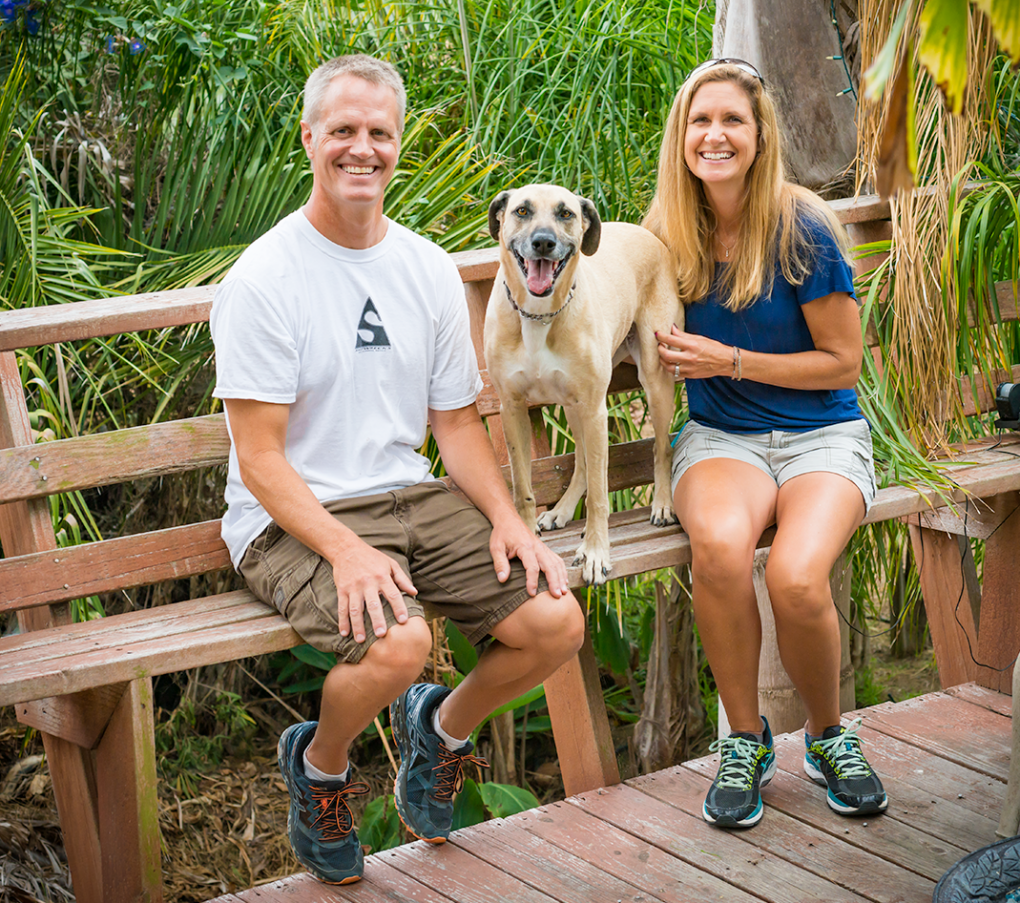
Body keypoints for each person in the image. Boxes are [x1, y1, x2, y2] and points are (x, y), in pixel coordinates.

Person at [210, 53, 584, 884]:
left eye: (379, 132)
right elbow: (260, 458)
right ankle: (320, 770)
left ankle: (440, 732)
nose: (362, 148)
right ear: (309, 138)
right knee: (399, 645)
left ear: (398, 141)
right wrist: (345, 550)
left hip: (411, 496)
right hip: (293, 518)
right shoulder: (265, 278)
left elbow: (455, 422)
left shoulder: (425, 268)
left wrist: (511, 522)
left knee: (556, 622)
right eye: (342, 130)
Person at [645, 58, 887, 829]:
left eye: (732, 120)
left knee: (796, 577)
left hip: (822, 437)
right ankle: (745, 743)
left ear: (760, 135)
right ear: (682, 135)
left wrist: (730, 360)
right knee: (720, 550)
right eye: (701, 120)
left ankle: (827, 736)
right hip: (723, 439)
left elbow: (842, 363)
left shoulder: (801, 227)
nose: (715, 135)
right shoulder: (665, 236)